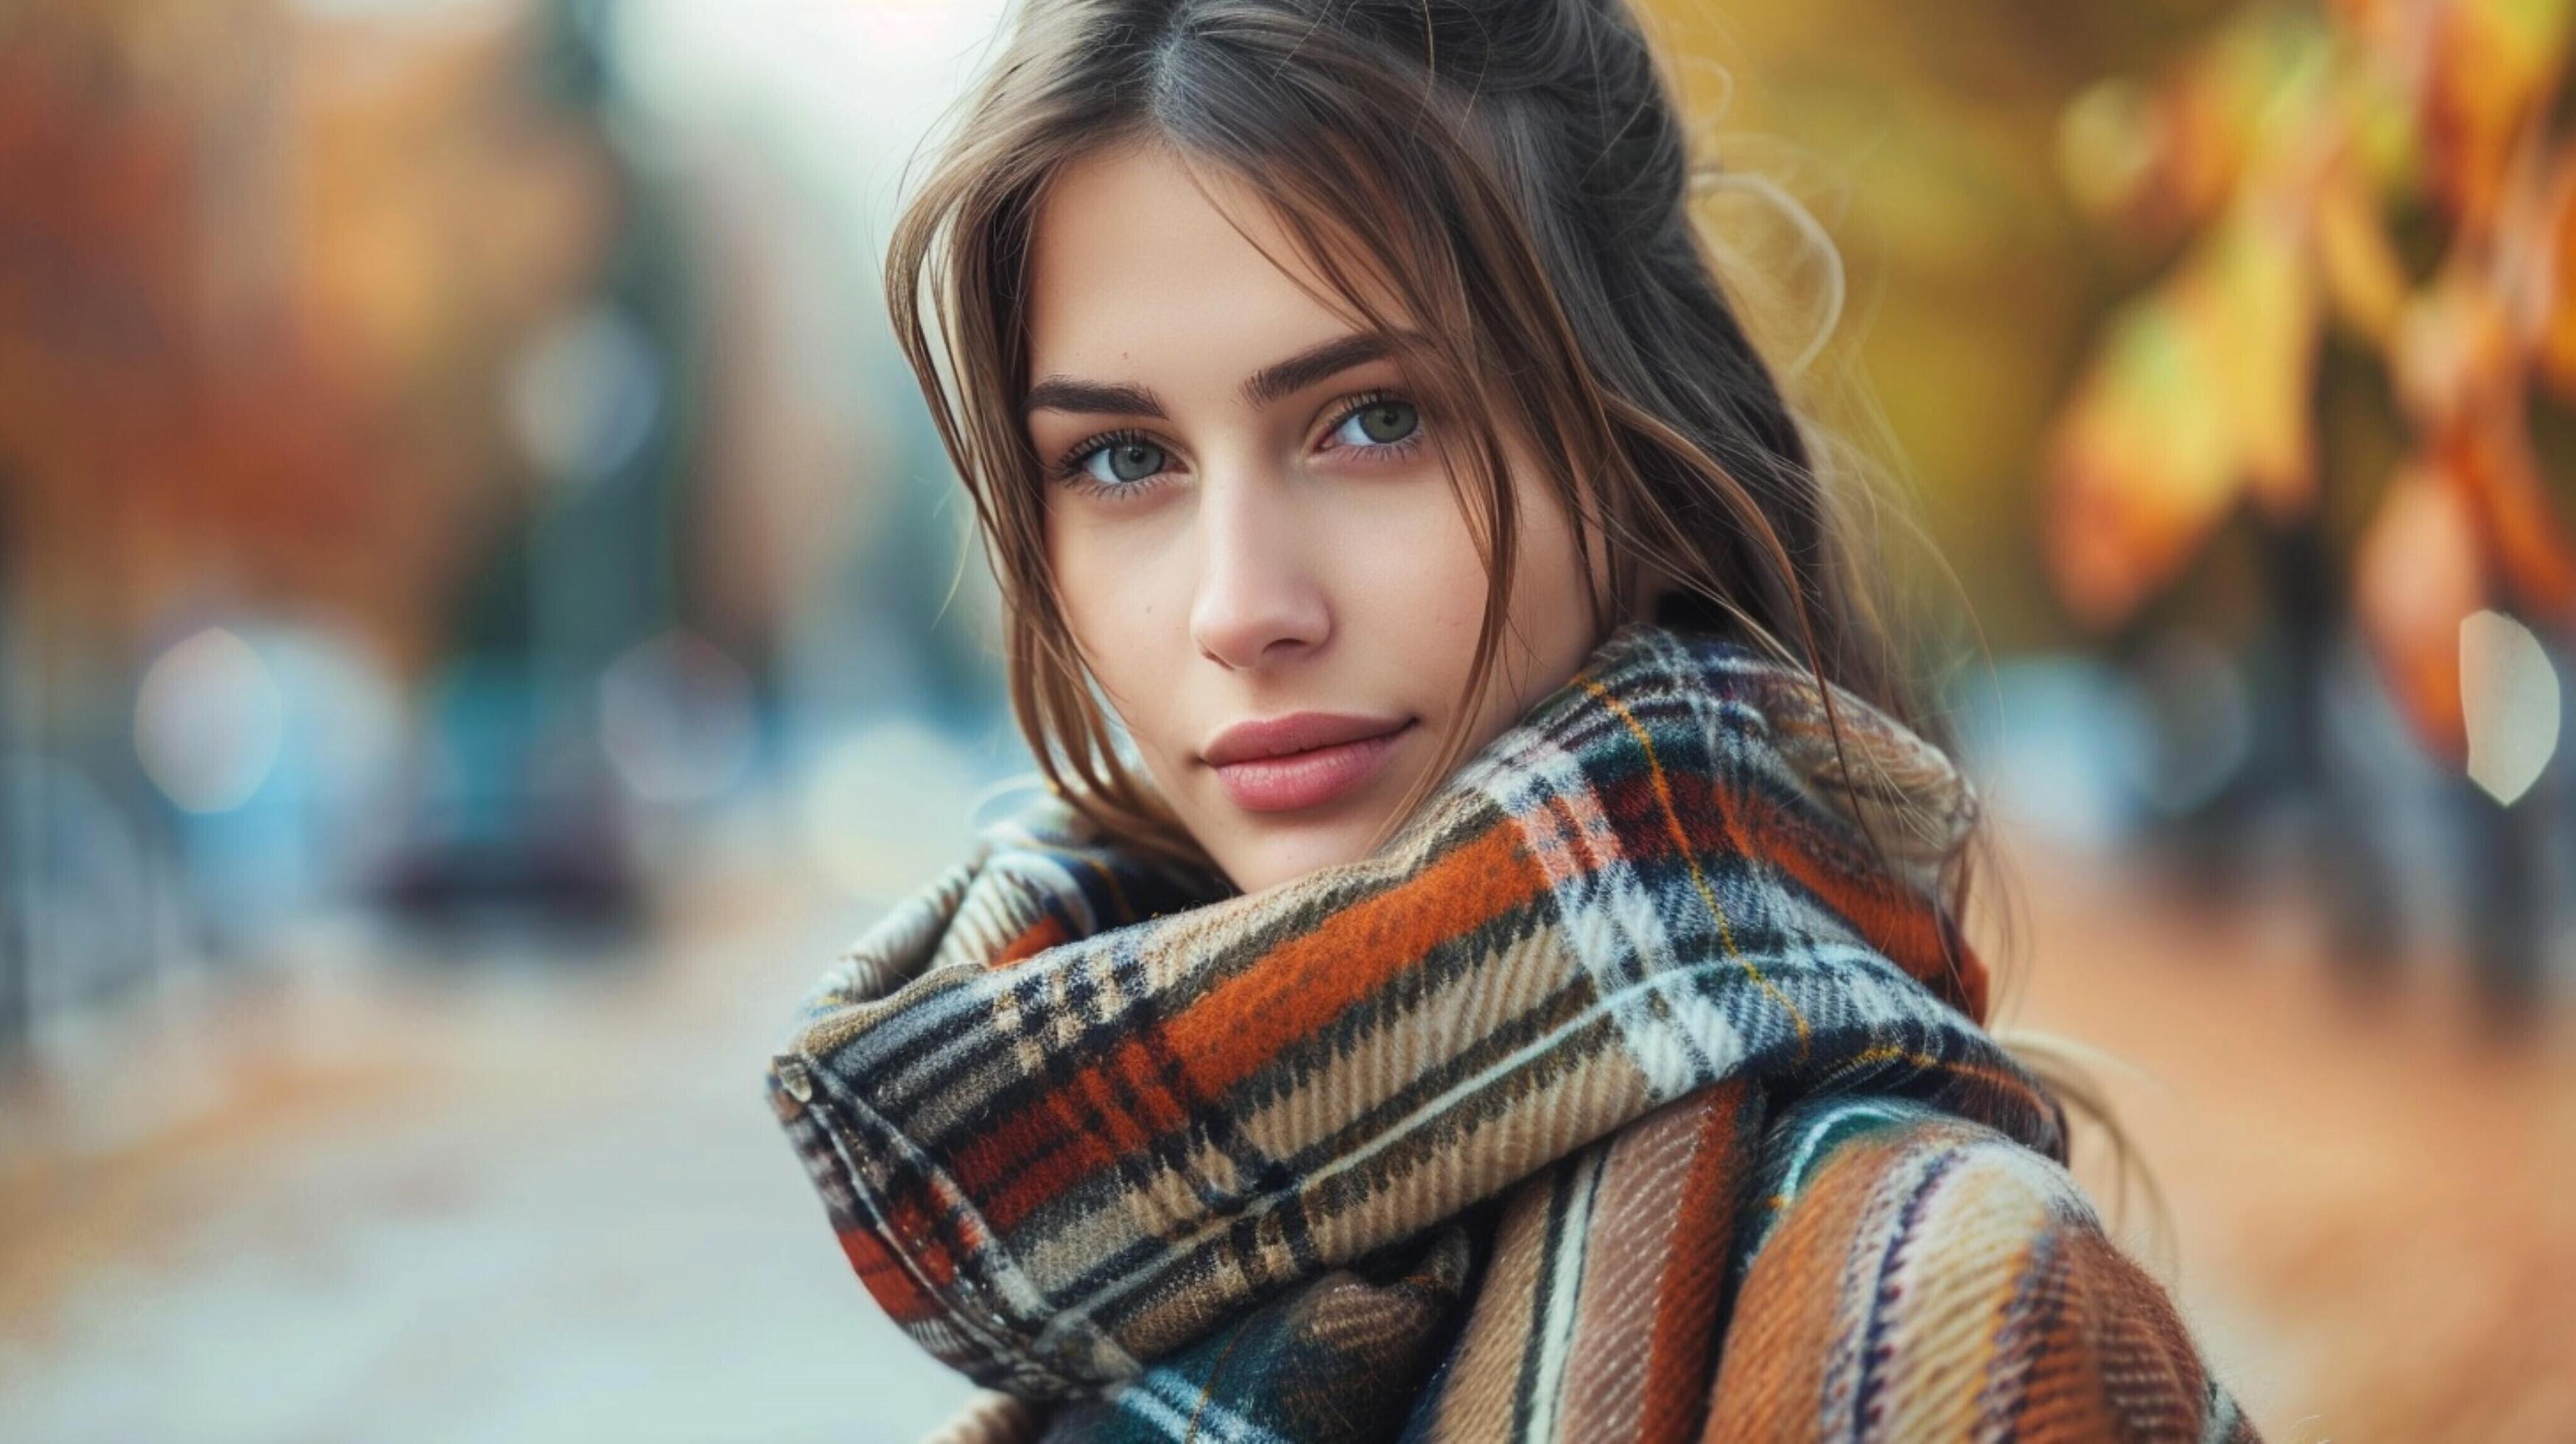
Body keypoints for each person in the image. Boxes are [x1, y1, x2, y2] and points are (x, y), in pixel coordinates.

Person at [765, 0, 2262, 1438]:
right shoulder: (1112, 1267)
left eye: (1374, 420)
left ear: (1639, 467)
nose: (1238, 606)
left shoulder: (1963, 1317)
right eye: (1122, 457)